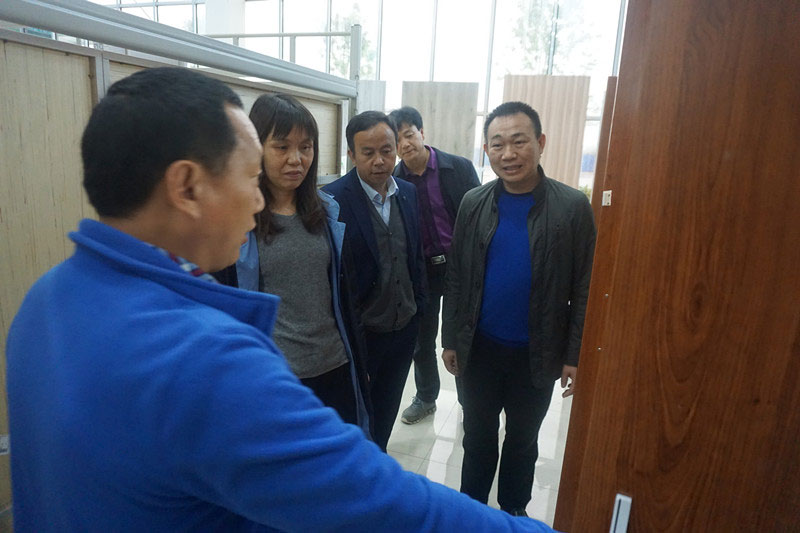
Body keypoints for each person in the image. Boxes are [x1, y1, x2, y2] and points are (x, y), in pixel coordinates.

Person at [5, 68, 556, 532]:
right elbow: (380, 504)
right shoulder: (203, 358)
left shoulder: (48, 299)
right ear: (187, 187)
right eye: (250, 177)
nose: (258, 199)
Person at [442, 101, 596, 516]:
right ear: (486, 150)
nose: (508, 154)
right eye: (497, 144)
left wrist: (574, 354)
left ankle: (514, 510)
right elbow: (456, 276)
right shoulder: (473, 202)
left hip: (538, 352)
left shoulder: (571, 207)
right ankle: (472, 511)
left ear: (540, 142)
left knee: (523, 440)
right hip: (480, 348)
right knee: (477, 436)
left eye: (519, 141)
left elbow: (585, 287)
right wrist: (450, 338)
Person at [212, 93, 370, 437]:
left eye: (306, 147)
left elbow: (344, 297)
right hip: (277, 376)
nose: (296, 159)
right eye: (281, 147)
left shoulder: (328, 212)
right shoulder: (239, 221)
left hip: (335, 365)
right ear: (256, 147)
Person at [321, 111, 426, 452]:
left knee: (386, 413)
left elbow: (415, 257)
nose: (379, 161)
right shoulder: (332, 201)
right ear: (351, 154)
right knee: (354, 421)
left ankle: (377, 464)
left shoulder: (407, 192)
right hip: (361, 337)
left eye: (386, 150)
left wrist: (420, 315)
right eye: (368, 153)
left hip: (403, 330)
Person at [388, 106, 480, 424]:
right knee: (421, 339)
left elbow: (479, 217)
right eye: (397, 141)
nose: (405, 144)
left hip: (458, 267)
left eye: (409, 135)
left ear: (422, 133)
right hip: (421, 270)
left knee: (462, 336)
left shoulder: (458, 168)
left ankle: (469, 401)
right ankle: (426, 397)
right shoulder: (394, 180)